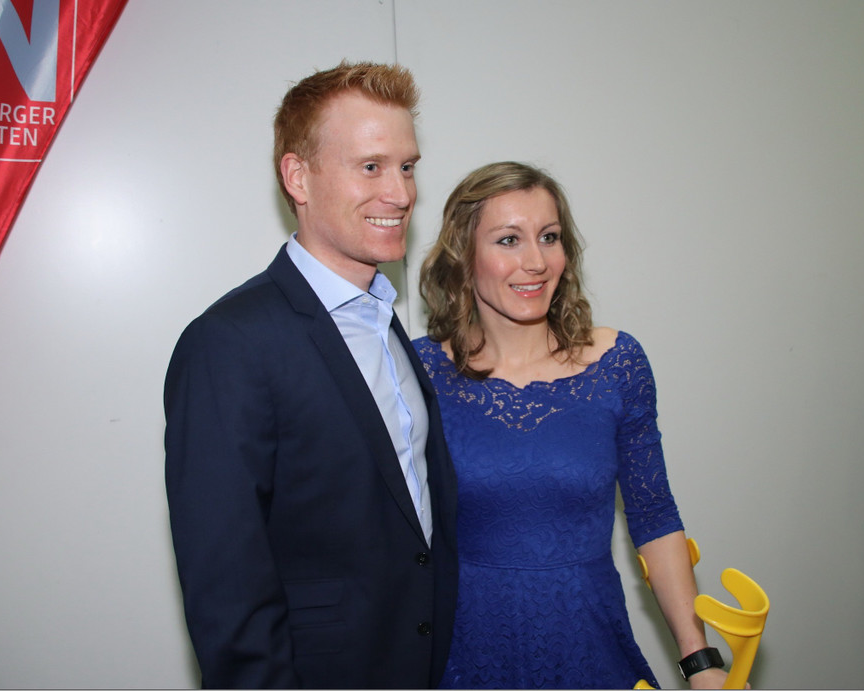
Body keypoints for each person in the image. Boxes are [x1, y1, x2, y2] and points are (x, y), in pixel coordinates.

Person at [164, 61, 458, 689]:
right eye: (371, 166)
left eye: (407, 167)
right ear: (298, 176)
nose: (401, 193)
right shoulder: (229, 342)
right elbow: (226, 588)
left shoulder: (384, 319)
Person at [413, 161, 728, 689]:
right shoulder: (418, 371)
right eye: (509, 239)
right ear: (463, 256)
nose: (536, 261)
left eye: (549, 237)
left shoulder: (617, 364)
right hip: (463, 655)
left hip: (590, 649)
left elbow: (654, 515)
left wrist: (701, 661)